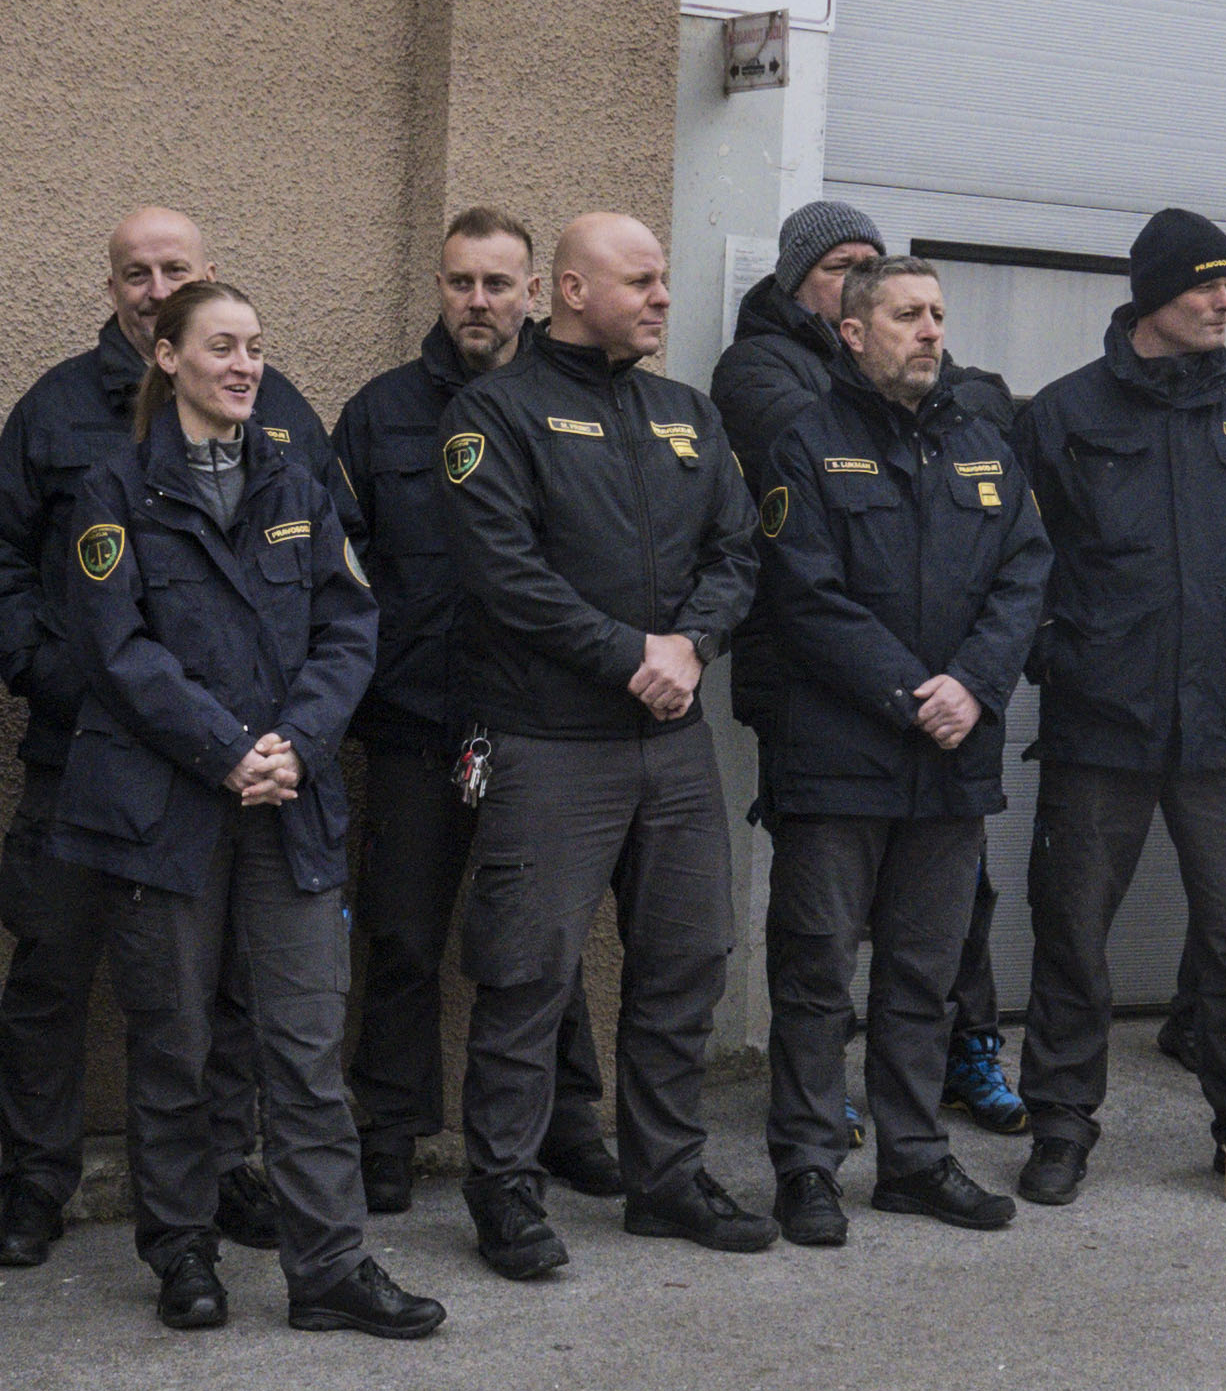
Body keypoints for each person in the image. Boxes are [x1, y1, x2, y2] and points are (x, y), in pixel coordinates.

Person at [49, 275, 440, 1334]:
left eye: (256, 347)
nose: (244, 365)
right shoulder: (115, 488)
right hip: (167, 810)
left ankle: (329, 1270)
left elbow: (350, 628)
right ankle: (183, 1252)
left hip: (288, 802)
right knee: (175, 1044)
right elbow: (115, 649)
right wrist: (226, 751)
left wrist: (299, 748)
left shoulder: (295, 481)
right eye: (221, 346)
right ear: (167, 358)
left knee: (305, 1048)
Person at [0, 206, 329, 1268]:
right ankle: (35, 1185)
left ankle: (220, 1177)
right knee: (53, 972)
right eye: (135, 271)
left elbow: (330, 577)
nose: (152, 284)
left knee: (221, 994)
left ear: (205, 275)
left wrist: (275, 734)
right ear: (115, 287)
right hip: (87, 757)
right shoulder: (57, 409)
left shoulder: (276, 407)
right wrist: (51, 677)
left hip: (237, 773)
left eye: (174, 268)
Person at [442, 210, 768, 1274]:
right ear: (573, 292)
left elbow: (737, 551)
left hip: (671, 749)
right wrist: (632, 651)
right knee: (527, 975)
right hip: (551, 746)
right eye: (643, 281)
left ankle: (666, 1180)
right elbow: (506, 576)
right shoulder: (497, 413)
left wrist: (693, 644)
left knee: (684, 964)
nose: (664, 297)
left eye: (665, 278)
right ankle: (506, 1195)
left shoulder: (688, 415)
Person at [1017, 212, 1226, 1207]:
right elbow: (1020, 572)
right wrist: (1062, 660)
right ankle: (1060, 1127)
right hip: (1101, 727)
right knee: (1072, 935)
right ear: (1155, 294)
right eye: (1205, 287)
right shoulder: (1064, 415)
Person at [749, 253, 1046, 1244]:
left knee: (924, 975)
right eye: (908, 315)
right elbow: (805, 596)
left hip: (950, 766)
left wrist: (975, 684)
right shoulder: (805, 443)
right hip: (839, 762)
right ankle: (806, 1166)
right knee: (817, 972)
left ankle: (915, 1159)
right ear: (854, 330)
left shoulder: (979, 441)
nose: (930, 330)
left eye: (939, 314)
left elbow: (1024, 576)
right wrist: (914, 694)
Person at [334, 212, 614, 1219]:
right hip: (418, 720)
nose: (480, 301)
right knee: (404, 937)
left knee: (548, 940)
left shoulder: (574, 407)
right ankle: (388, 1132)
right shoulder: (378, 416)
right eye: (462, 282)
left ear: (536, 292)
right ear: (440, 288)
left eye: (500, 283)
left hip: (543, 722)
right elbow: (337, 569)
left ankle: (568, 1121)